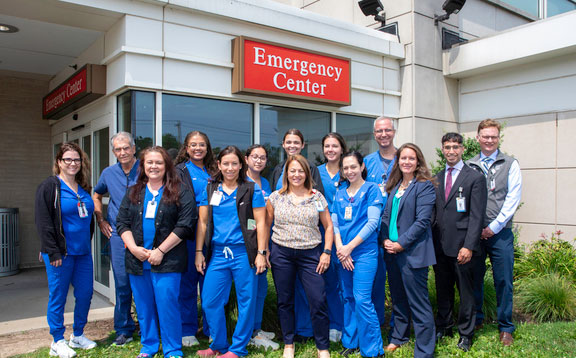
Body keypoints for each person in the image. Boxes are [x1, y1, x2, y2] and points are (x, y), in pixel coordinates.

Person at [116, 146, 197, 358]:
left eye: (158, 162)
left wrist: (160, 251)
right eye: (149, 162)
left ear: (166, 166)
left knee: (168, 305)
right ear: (143, 166)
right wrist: (133, 249)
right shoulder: (133, 192)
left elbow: (185, 224)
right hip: (138, 261)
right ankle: (149, 346)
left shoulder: (181, 192)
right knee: (144, 308)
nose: (154, 166)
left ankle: (172, 349)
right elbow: (121, 223)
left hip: (168, 261)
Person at [195, 146, 268, 358]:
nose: (230, 168)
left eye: (234, 163)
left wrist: (261, 252)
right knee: (209, 300)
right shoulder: (210, 189)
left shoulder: (250, 188)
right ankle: (218, 344)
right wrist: (199, 251)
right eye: (225, 163)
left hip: (244, 253)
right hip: (218, 253)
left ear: (241, 165)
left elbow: (261, 223)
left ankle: (237, 349)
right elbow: (202, 222)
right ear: (218, 165)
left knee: (247, 301)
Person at [266, 154, 333, 358]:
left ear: (307, 173)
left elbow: (328, 226)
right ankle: (289, 343)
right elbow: (266, 225)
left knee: (318, 300)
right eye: (292, 170)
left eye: (300, 171)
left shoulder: (317, 197)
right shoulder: (276, 196)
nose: (296, 174)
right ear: (286, 173)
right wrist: (265, 250)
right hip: (281, 253)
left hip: (311, 254)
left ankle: (323, 347)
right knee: (285, 300)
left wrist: (327, 253)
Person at [35, 142, 97, 358]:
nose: (73, 163)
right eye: (68, 159)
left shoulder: (83, 188)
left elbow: (88, 218)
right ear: (59, 162)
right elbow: (43, 222)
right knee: (58, 297)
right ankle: (57, 340)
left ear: (82, 163)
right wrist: (52, 252)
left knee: (85, 294)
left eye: (76, 159)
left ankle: (78, 335)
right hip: (60, 255)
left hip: (83, 254)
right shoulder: (50, 187)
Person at [467, 119, 522, 346]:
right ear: (478, 138)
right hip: (474, 233)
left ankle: (506, 327)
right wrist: (474, 228)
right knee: (474, 279)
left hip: (500, 233)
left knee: (504, 281)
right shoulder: (469, 165)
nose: (489, 140)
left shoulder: (510, 164)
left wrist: (494, 227)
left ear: (498, 138)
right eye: (485, 136)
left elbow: (513, 198)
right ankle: (477, 320)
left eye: (493, 136)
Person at [432, 133, 487, 352]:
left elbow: (477, 216)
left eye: (455, 147)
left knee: (465, 292)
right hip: (440, 246)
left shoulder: (474, 177)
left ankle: (466, 333)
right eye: (447, 147)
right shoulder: (436, 177)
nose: (451, 151)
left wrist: (469, 246)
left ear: (463, 149)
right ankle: (444, 325)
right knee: (443, 289)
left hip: (462, 246)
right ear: (443, 149)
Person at [381, 143, 436, 358]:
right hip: (392, 252)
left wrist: (401, 243)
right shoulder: (394, 186)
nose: (406, 162)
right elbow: (387, 217)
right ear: (398, 161)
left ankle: (424, 350)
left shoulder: (425, 186)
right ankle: (399, 337)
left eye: (411, 158)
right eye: (403, 158)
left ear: (418, 162)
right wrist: (385, 239)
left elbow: (422, 222)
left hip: (412, 253)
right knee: (399, 299)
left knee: (418, 303)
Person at [269, 128, 324, 341]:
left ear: (303, 145)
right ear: (283, 144)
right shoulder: (277, 169)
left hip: (308, 245)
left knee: (310, 294)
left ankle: (307, 331)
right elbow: (269, 213)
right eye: (288, 142)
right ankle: (290, 338)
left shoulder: (310, 168)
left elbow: (319, 209)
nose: (292, 145)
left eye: (296, 142)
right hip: (282, 246)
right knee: (287, 294)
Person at [332, 151, 385, 358]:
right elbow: (335, 223)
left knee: (362, 298)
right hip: (343, 254)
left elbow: (373, 223)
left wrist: (349, 248)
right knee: (348, 298)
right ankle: (350, 341)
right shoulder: (340, 192)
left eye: (353, 166)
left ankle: (373, 349)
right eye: (345, 168)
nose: (349, 171)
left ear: (362, 167)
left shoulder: (372, 190)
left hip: (363, 252)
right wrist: (340, 248)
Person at [93, 132, 139, 346]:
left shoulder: (146, 168)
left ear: (134, 148)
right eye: (117, 149)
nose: (122, 152)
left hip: (143, 234)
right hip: (118, 236)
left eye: (126, 148)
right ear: (113, 152)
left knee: (145, 283)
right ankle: (124, 329)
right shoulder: (108, 173)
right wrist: (101, 219)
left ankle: (150, 326)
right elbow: (97, 194)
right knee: (122, 283)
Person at [174, 130, 217, 346]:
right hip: (189, 237)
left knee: (210, 285)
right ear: (186, 148)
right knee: (188, 285)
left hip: (215, 236)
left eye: (201, 144)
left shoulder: (214, 170)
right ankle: (187, 330)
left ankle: (211, 329)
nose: (197, 148)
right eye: (193, 145)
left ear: (207, 148)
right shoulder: (179, 171)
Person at [244, 145, 279, 350]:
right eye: (255, 157)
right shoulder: (242, 182)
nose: (258, 161)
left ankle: (256, 329)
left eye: (263, 158)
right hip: (250, 243)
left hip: (266, 241)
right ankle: (249, 334)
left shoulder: (265, 182)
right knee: (250, 288)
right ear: (246, 159)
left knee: (261, 288)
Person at [364, 116, 397, 326]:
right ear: (374, 134)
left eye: (387, 130)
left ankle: (398, 323)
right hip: (372, 232)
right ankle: (376, 323)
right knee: (375, 281)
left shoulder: (404, 158)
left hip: (397, 230)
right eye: (379, 131)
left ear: (394, 132)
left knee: (398, 280)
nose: (383, 134)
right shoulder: (367, 162)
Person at [318, 133, 347, 342]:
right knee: (327, 282)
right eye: (327, 146)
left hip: (347, 234)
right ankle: (333, 325)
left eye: (334, 146)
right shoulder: (316, 172)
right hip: (322, 233)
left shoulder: (349, 170)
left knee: (345, 283)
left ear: (341, 148)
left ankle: (345, 325)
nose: (330, 150)